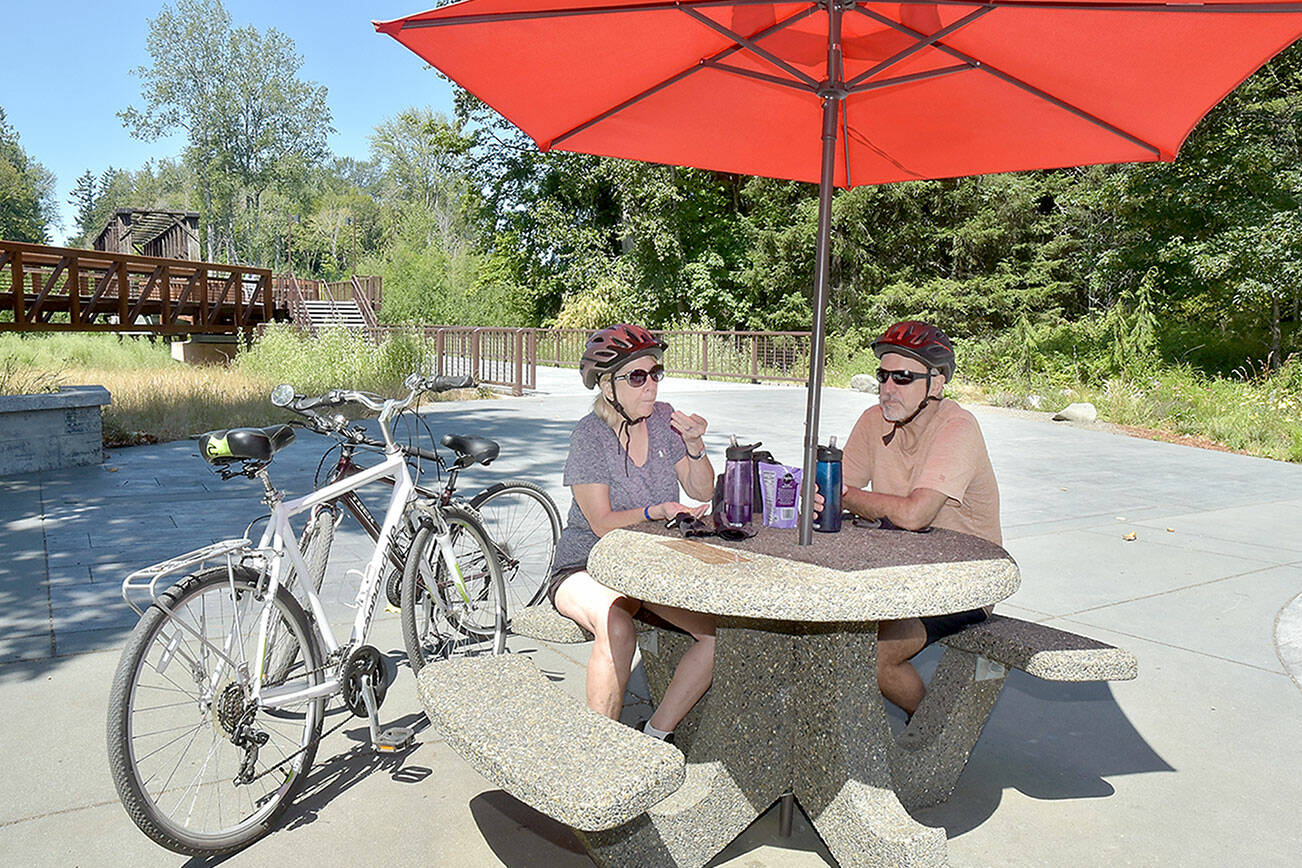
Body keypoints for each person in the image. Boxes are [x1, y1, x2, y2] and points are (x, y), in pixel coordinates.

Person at [548, 324, 717, 743]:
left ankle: (655, 734)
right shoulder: (590, 436)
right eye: (637, 377)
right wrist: (654, 511)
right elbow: (601, 522)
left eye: (655, 373)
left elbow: (702, 490)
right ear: (608, 386)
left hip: (649, 569)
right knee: (616, 625)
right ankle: (601, 752)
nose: (651, 386)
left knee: (715, 635)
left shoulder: (664, 420)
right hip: (585, 565)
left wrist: (695, 446)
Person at [839, 320, 1002, 718]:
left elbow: (915, 514)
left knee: (873, 655)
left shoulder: (958, 427)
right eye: (883, 376)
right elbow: (831, 489)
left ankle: (932, 732)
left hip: (964, 581)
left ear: (936, 384)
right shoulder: (873, 420)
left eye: (903, 378)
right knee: (824, 630)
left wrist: (844, 497)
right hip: (902, 574)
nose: (888, 388)